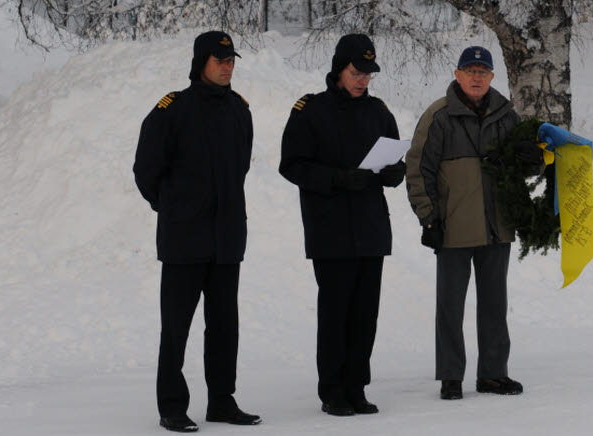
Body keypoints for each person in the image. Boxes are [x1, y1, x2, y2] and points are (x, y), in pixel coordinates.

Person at [133, 30, 261, 433]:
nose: (228, 67)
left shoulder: (239, 109)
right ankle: (172, 405)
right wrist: (173, 207)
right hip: (183, 240)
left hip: (226, 240)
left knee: (225, 326)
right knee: (176, 328)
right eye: (220, 60)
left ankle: (222, 401)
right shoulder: (172, 110)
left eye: (231, 60)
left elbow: (241, 165)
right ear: (201, 61)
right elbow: (146, 171)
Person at [405, 46, 543, 401]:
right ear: (457, 74)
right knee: (450, 305)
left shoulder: (507, 116)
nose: (477, 77)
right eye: (470, 71)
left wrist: (535, 160)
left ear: (493, 77)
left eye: (483, 71)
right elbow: (419, 170)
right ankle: (451, 376)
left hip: (497, 226)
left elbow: (524, 165)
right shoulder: (438, 117)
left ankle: (494, 374)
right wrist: (428, 218)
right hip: (452, 227)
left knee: (495, 303)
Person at [279, 33, 406, 417]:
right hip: (330, 229)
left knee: (365, 314)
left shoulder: (379, 111)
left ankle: (357, 387)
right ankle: (332, 390)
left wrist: (394, 173)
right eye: (356, 72)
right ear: (339, 69)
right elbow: (292, 164)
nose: (363, 80)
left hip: (370, 228)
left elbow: (396, 159)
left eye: (368, 73)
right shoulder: (310, 110)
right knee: (335, 313)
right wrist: (335, 179)